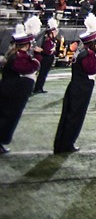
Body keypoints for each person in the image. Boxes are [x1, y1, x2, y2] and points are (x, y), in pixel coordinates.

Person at [53, 13, 96, 153]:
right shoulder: (88, 54)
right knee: (75, 117)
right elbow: (92, 70)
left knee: (68, 116)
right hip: (81, 88)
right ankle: (67, 144)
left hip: (76, 86)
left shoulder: (82, 52)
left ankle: (61, 143)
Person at [0, 19, 41, 154]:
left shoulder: (14, 54)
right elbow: (28, 68)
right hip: (12, 92)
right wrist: (37, 58)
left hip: (8, 89)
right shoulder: (19, 56)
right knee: (7, 118)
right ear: (27, 44)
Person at [33, 16, 59, 94]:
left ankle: (39, 87)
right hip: (46, 59)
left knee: (44, 74)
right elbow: (47, 51)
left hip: (49, 59)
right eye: (54, 32)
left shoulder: (52, 41)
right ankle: (38, 88)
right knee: (42, 74)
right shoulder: (48, 41)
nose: (55, 33)